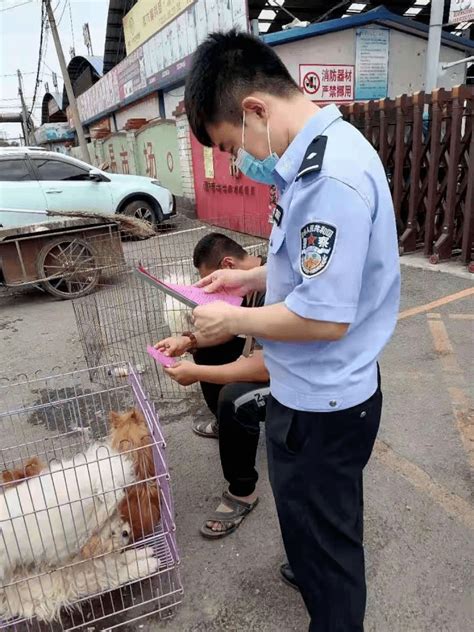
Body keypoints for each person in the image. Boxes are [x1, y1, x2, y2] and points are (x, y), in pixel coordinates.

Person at [184, 31, 401, 630]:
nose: (238, 160)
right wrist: (246, 277)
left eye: (232, 145)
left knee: (329, 561)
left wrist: (234, 318)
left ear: (255, 108)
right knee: (316, 527)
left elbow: (324, 316)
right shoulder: (311, 161)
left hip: (323, 405)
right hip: (314, 392)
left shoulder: (328, 177)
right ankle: (312, 566)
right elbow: (309, 269)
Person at [154, 232, 271, 539]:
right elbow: (230, 331)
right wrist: (187, 340)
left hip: (295, 382)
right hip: (266, 361)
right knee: (204, 350)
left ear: (228, 264)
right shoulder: (250, 278)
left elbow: (265, 368)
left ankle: (242, 492)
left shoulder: (270, 289)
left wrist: (199, 373)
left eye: (214, 280)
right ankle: (227, 426)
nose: (212, 289)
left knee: (235, 399)